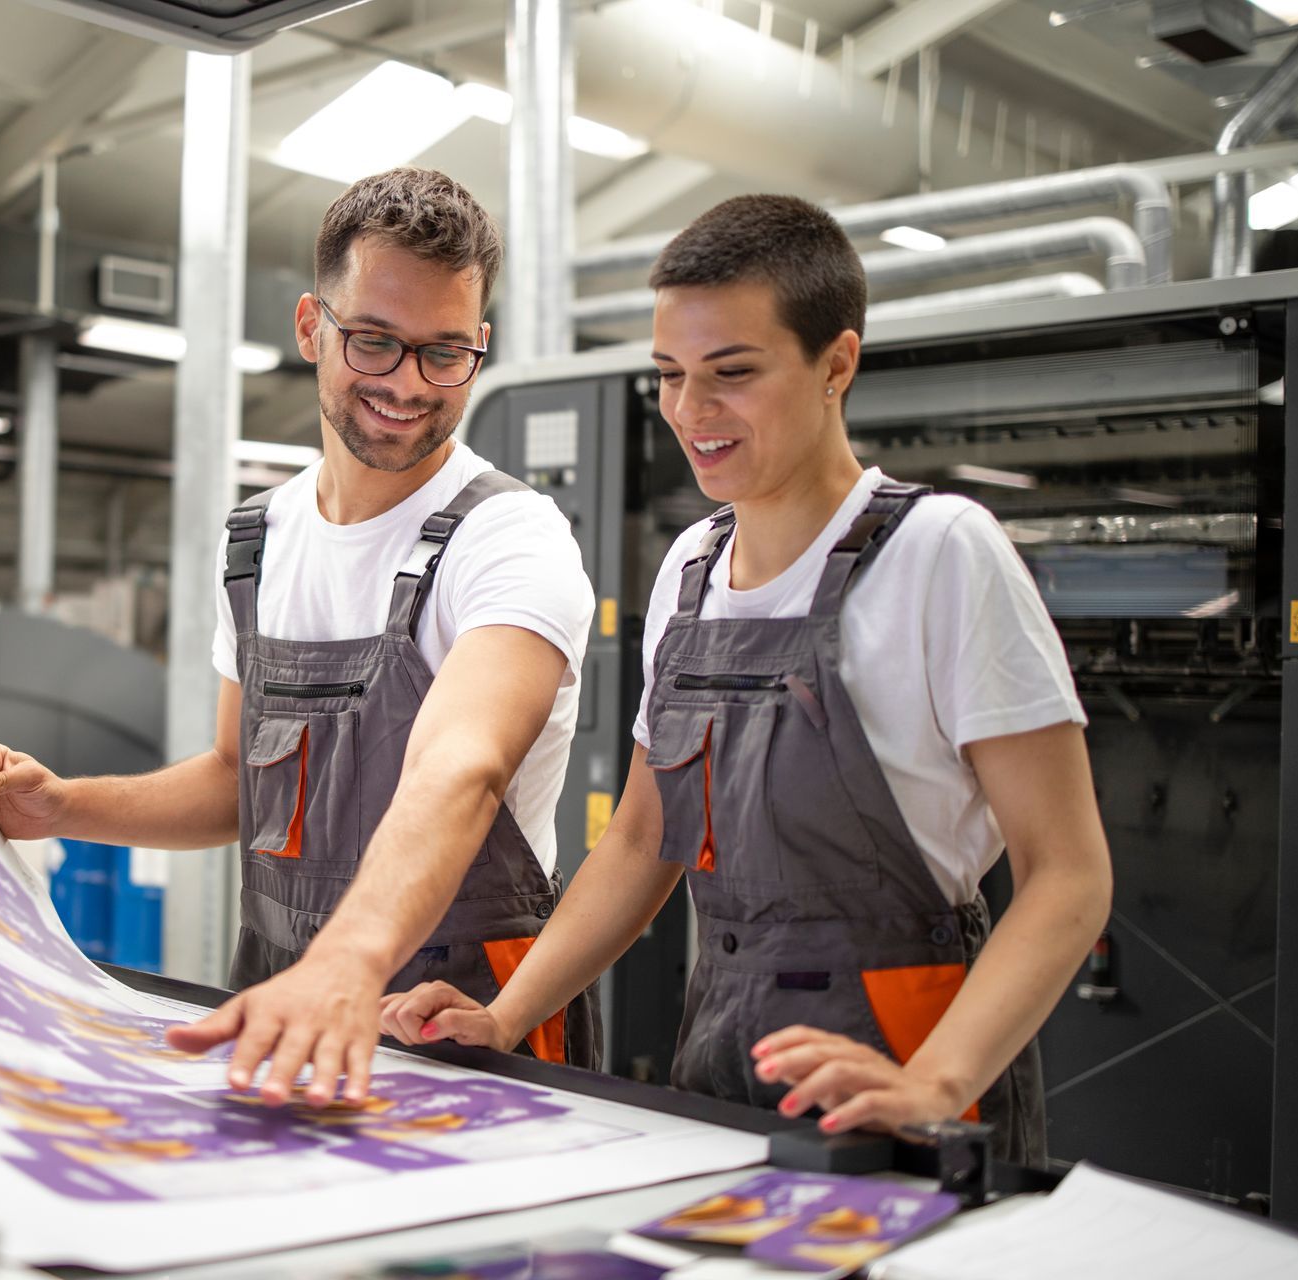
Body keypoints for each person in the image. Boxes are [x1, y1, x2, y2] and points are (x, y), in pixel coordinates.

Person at [378, 194, 1113, 1164]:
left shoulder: (941, 553)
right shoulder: (690, 570)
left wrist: (936, 1082)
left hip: (904, 1078)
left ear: (835, 366)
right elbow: (642, 841)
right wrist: (504, 1016)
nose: (691, 411)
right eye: (671, 376)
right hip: (719, 1066)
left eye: (731, 374)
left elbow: (1068, 872)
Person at [0, 167, 600, 1108]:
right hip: (283, 990)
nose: (405, 384)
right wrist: (64, 806)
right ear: (312, 326)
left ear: (480, 347)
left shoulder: (510, 538)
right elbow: (238, 778)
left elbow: (461, 767)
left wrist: (348, 962)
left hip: (462, 1010)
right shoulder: (256, 545)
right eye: (374, 342)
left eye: (444, 354)